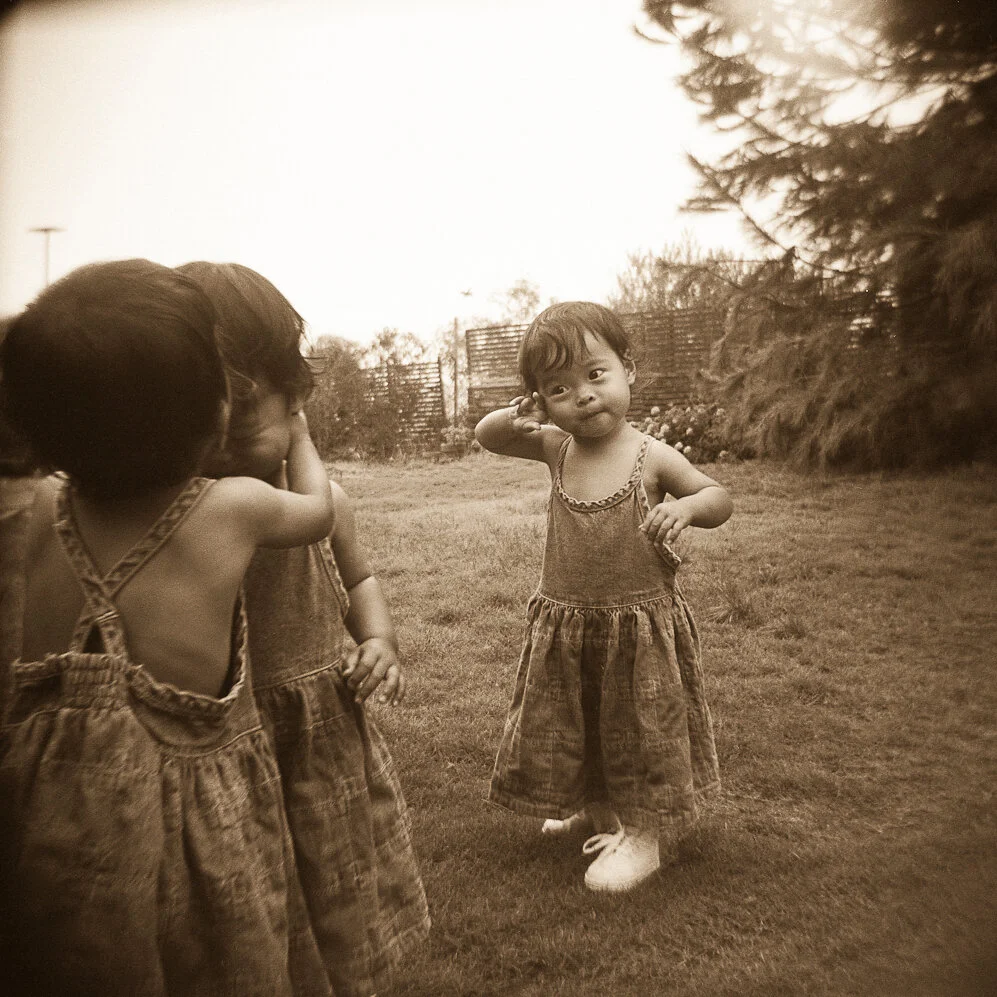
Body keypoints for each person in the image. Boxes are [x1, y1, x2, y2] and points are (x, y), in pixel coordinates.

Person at [0, 259, 337, 996]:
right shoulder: (230, 509)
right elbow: (319, 513)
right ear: (214, 416)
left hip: (45, 805)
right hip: (180, 809)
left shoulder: (42, 511)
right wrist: (301, 438)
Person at [178, 261, 430, 997]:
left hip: (314, 729)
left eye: (242, 416)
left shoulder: (328, 503)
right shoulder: (186, 511)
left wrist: (378, 639)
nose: (219, 442)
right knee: (250, 885)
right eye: (198, 418)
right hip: (232, 736)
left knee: (331, 868)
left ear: (296, 401)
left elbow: (358, 579)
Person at [476, 301, 732, 893]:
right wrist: (518, 415)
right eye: (559, 388)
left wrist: (687, 509)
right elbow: (487, 436)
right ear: (543, 401)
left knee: (639, 730)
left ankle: (644, 835)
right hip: (568, 624)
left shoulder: (652, 455)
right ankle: (596, 809)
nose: (584, 396)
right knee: (576, 721)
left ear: (629, 370)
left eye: (596, 374)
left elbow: (718, 497)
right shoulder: (555, 447)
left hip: (636, 629)